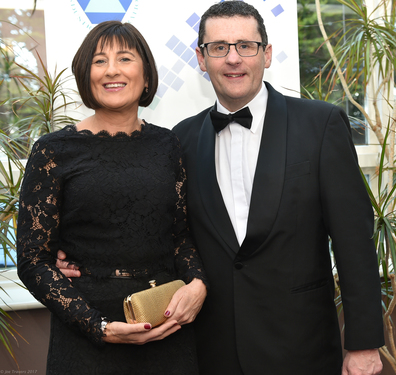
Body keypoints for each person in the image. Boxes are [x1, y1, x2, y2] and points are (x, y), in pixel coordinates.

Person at [58, 1, 384, 374]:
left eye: (246, 45)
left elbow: (354, 242)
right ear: (200, 58)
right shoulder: (179, 140)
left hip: (302, 348)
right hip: (210, 350)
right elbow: (160, 231)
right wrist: (73, 256)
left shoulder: (320, 124)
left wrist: (364, 344)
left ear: (267, 54)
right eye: (219, 47)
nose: (233, 58)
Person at [17, 21, 207, 375]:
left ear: (146, 75)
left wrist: (197, 283)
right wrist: (98, 327)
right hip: (87, 335)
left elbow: (180, 235)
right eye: (99, 61)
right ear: (85, 75)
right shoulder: (53, 150)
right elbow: (33, 260)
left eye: (124, 58)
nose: (112, 71)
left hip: (166, 323)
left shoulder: (168, 145)